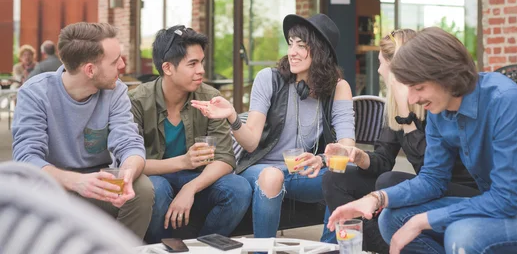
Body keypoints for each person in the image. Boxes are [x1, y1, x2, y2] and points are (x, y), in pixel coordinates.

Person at [328, 27, 517, 254]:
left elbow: (506, 199)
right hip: (505, 212)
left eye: (418, 88)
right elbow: (432, 179)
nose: (411, 100)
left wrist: (422, 221)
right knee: (391, 219)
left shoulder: (505, 101)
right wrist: (376, 199)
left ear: (445, 75)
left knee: (464, 234)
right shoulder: (440, 112)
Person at [193, 13, 355, 242]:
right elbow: (250, 142)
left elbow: (347, 144)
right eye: (291, 44)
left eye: (302, 45)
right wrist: (232, 116)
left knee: (345, 176)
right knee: (272, 176)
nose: (292, 52)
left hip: (303, 172)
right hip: (260, 169)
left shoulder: (338, 88)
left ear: (320, 52)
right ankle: (263, 249)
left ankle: (329, 249)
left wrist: (323, 160)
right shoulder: (269, 79)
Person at [322, 29, 478, 253]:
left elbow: (432, 169)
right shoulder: (393, 105)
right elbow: (384, 159)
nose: (377, 70)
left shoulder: (437, 102)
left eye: (380, 63)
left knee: (388, 182)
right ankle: (374, 246)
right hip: (428, 184)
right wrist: (359, 156)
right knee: (335, 180)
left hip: (459, 189)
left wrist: (407, 118)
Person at [11, 22, 154, 239]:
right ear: (90, 69)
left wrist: (127, 173)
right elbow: (26, 159)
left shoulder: (115, 92)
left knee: (141, 187)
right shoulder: (35, 92)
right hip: (52, 185)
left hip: (97, 180)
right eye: (115, 61)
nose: (123, 65)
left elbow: (129, 143)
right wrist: (76, 182)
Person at [129, 25, 252, 243]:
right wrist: (184, 162)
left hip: (197, 178)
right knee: (155, 188)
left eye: (202, 62)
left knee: (239, 188)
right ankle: (162, 247)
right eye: (192, 63)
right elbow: (130, 163)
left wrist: (190, 187)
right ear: (167, 68)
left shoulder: (209, 97)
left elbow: (225, 159)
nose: (201, 70)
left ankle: (202, 247)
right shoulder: (137, 101)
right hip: (155, 178)